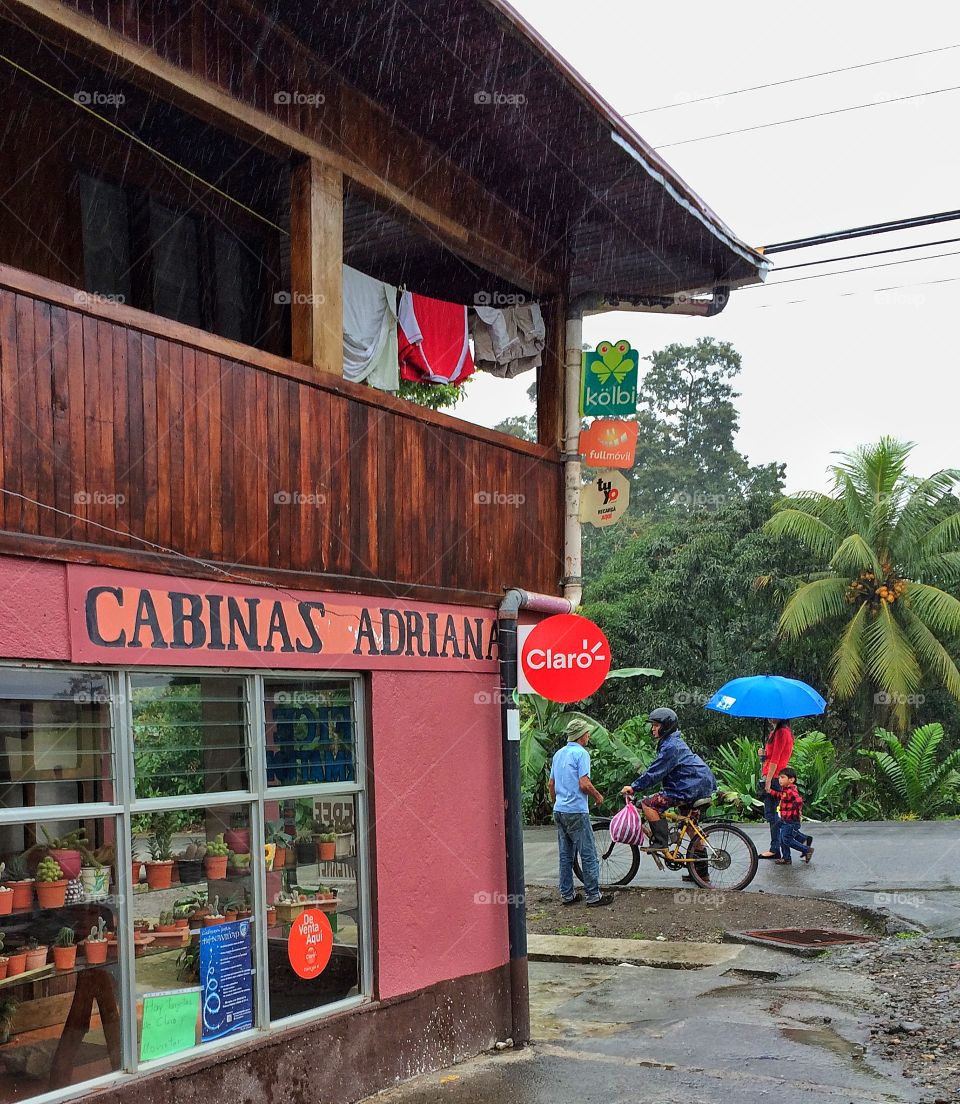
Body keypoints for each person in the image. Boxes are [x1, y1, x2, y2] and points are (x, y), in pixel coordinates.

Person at [620, 707, 717, 852]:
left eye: (656, 725)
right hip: (697, 785)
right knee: (691, 829)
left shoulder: (671, 746)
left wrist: (634, 787)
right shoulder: (671, 742)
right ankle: (701, 875)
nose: (653, 729)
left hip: (690, 787)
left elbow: (655, 772)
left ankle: (661, 842)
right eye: (652, 725)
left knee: (648, 805)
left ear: (666, 727)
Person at [548, 717, 614, 907]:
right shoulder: (581, 754)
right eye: (587, 733)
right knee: (588, 853)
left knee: (566, 854)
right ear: (580, 736)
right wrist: (598, 796)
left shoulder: (558, 754)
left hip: (559, 810)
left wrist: (557, 801)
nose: (589, 735)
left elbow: (551, 784)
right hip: (576, 810)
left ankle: (567, 894)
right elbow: (584, 783)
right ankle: (594, 895)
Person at [758, 718, 794, 860]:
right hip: (773, 775)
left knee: (772, 814)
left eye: (773, 714)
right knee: (773, 814)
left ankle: (775, 848)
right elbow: (771, 756)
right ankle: (799, 839)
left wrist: (768, 781)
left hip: (774, 777)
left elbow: (776, 760)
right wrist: (763, 754)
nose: (769, 717)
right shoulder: (778, 732)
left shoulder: (781, 733)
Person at [775, 768, 814, 864]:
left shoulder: (790, 791)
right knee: (782, 839)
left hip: (791, 820)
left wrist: (793, 810)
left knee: (787, 839)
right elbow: (780, 795)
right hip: (786, 819)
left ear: (791, 780)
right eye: (779, 777)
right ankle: (786, 858)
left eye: (783, 777)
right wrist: (769, 791)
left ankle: (806, 849)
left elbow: (799, 801)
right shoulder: (785, 790)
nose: (780, 780)